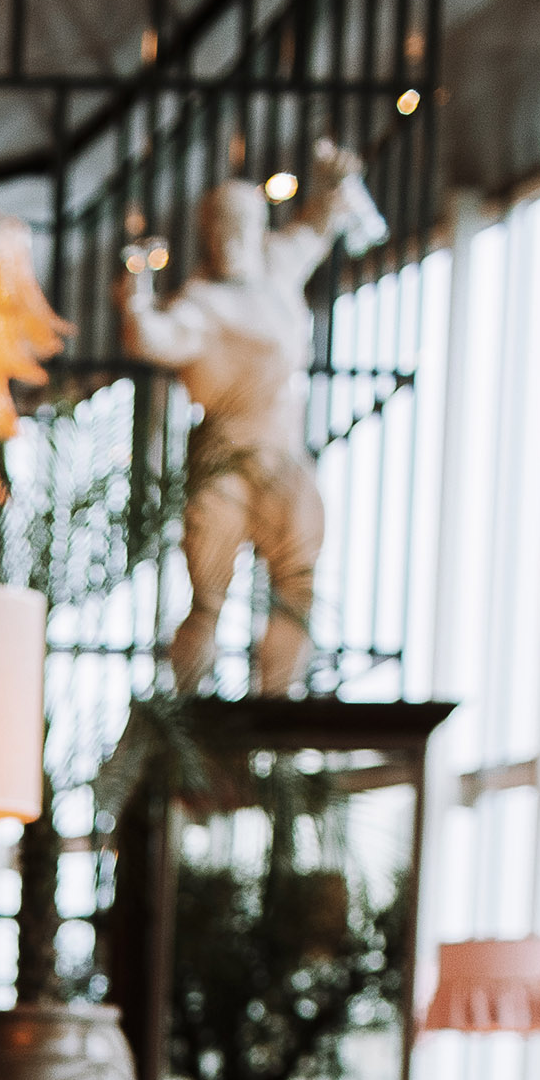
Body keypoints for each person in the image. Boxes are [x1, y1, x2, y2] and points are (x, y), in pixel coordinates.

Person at [115, 142, 386, 692]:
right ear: (207, 235)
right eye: (219, 227)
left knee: (298, 580)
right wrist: (135, 299)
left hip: (281, 455)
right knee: (209, 599)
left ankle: (277, 706)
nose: (229, 237)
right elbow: (152, 337)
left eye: (240, 223)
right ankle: (186, 714)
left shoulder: (279, 269)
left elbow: (318, 222)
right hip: (223, 462)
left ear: (258, 227)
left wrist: (335, 183)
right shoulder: (200, 304)